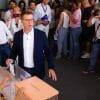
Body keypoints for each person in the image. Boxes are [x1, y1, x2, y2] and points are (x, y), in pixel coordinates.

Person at [6, 11, 57, 81]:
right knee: (25, 90)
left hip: (38, 69)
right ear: (22, 21)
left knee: (38, 89)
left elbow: (48, 52)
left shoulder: (41, 35)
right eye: (27, 20)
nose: (30, 22)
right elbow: (14, 51)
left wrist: (51, 67)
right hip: (23, 69)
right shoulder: (17, 35)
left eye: (31, 19)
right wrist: (11, 59)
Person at [82, 9, 100, 74]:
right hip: (97, 39)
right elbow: (88, 25)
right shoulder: (96, 17)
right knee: (93, 55)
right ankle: (91, 69)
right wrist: (92, 16)